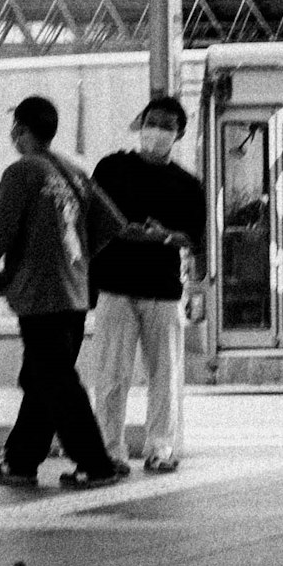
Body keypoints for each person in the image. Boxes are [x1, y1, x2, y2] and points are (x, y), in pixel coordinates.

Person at [0, 94, 127, 488]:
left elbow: (0, 230)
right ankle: (22, 460)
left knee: (57, 381)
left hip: (40, 294)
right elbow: (111, 223)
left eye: (15, 127)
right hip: (76, 293)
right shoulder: (74, 172)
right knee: (41, 377)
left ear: (21, 130)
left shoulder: (22, 171)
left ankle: (95, 463)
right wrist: (77, 263)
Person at [86, 93, 209, 472]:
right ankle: (109, 449)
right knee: (111, 374)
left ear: (179, 134)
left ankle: (160, 448)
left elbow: (195, 241)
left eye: (167, 126)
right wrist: (125, 232)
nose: (157, 131)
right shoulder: (111, 168)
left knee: (165, 377)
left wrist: (165, 236)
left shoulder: (188, 185)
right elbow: (90, 218)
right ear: (140, 123)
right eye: (152, 122)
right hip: (114, 285)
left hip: (162, 288)